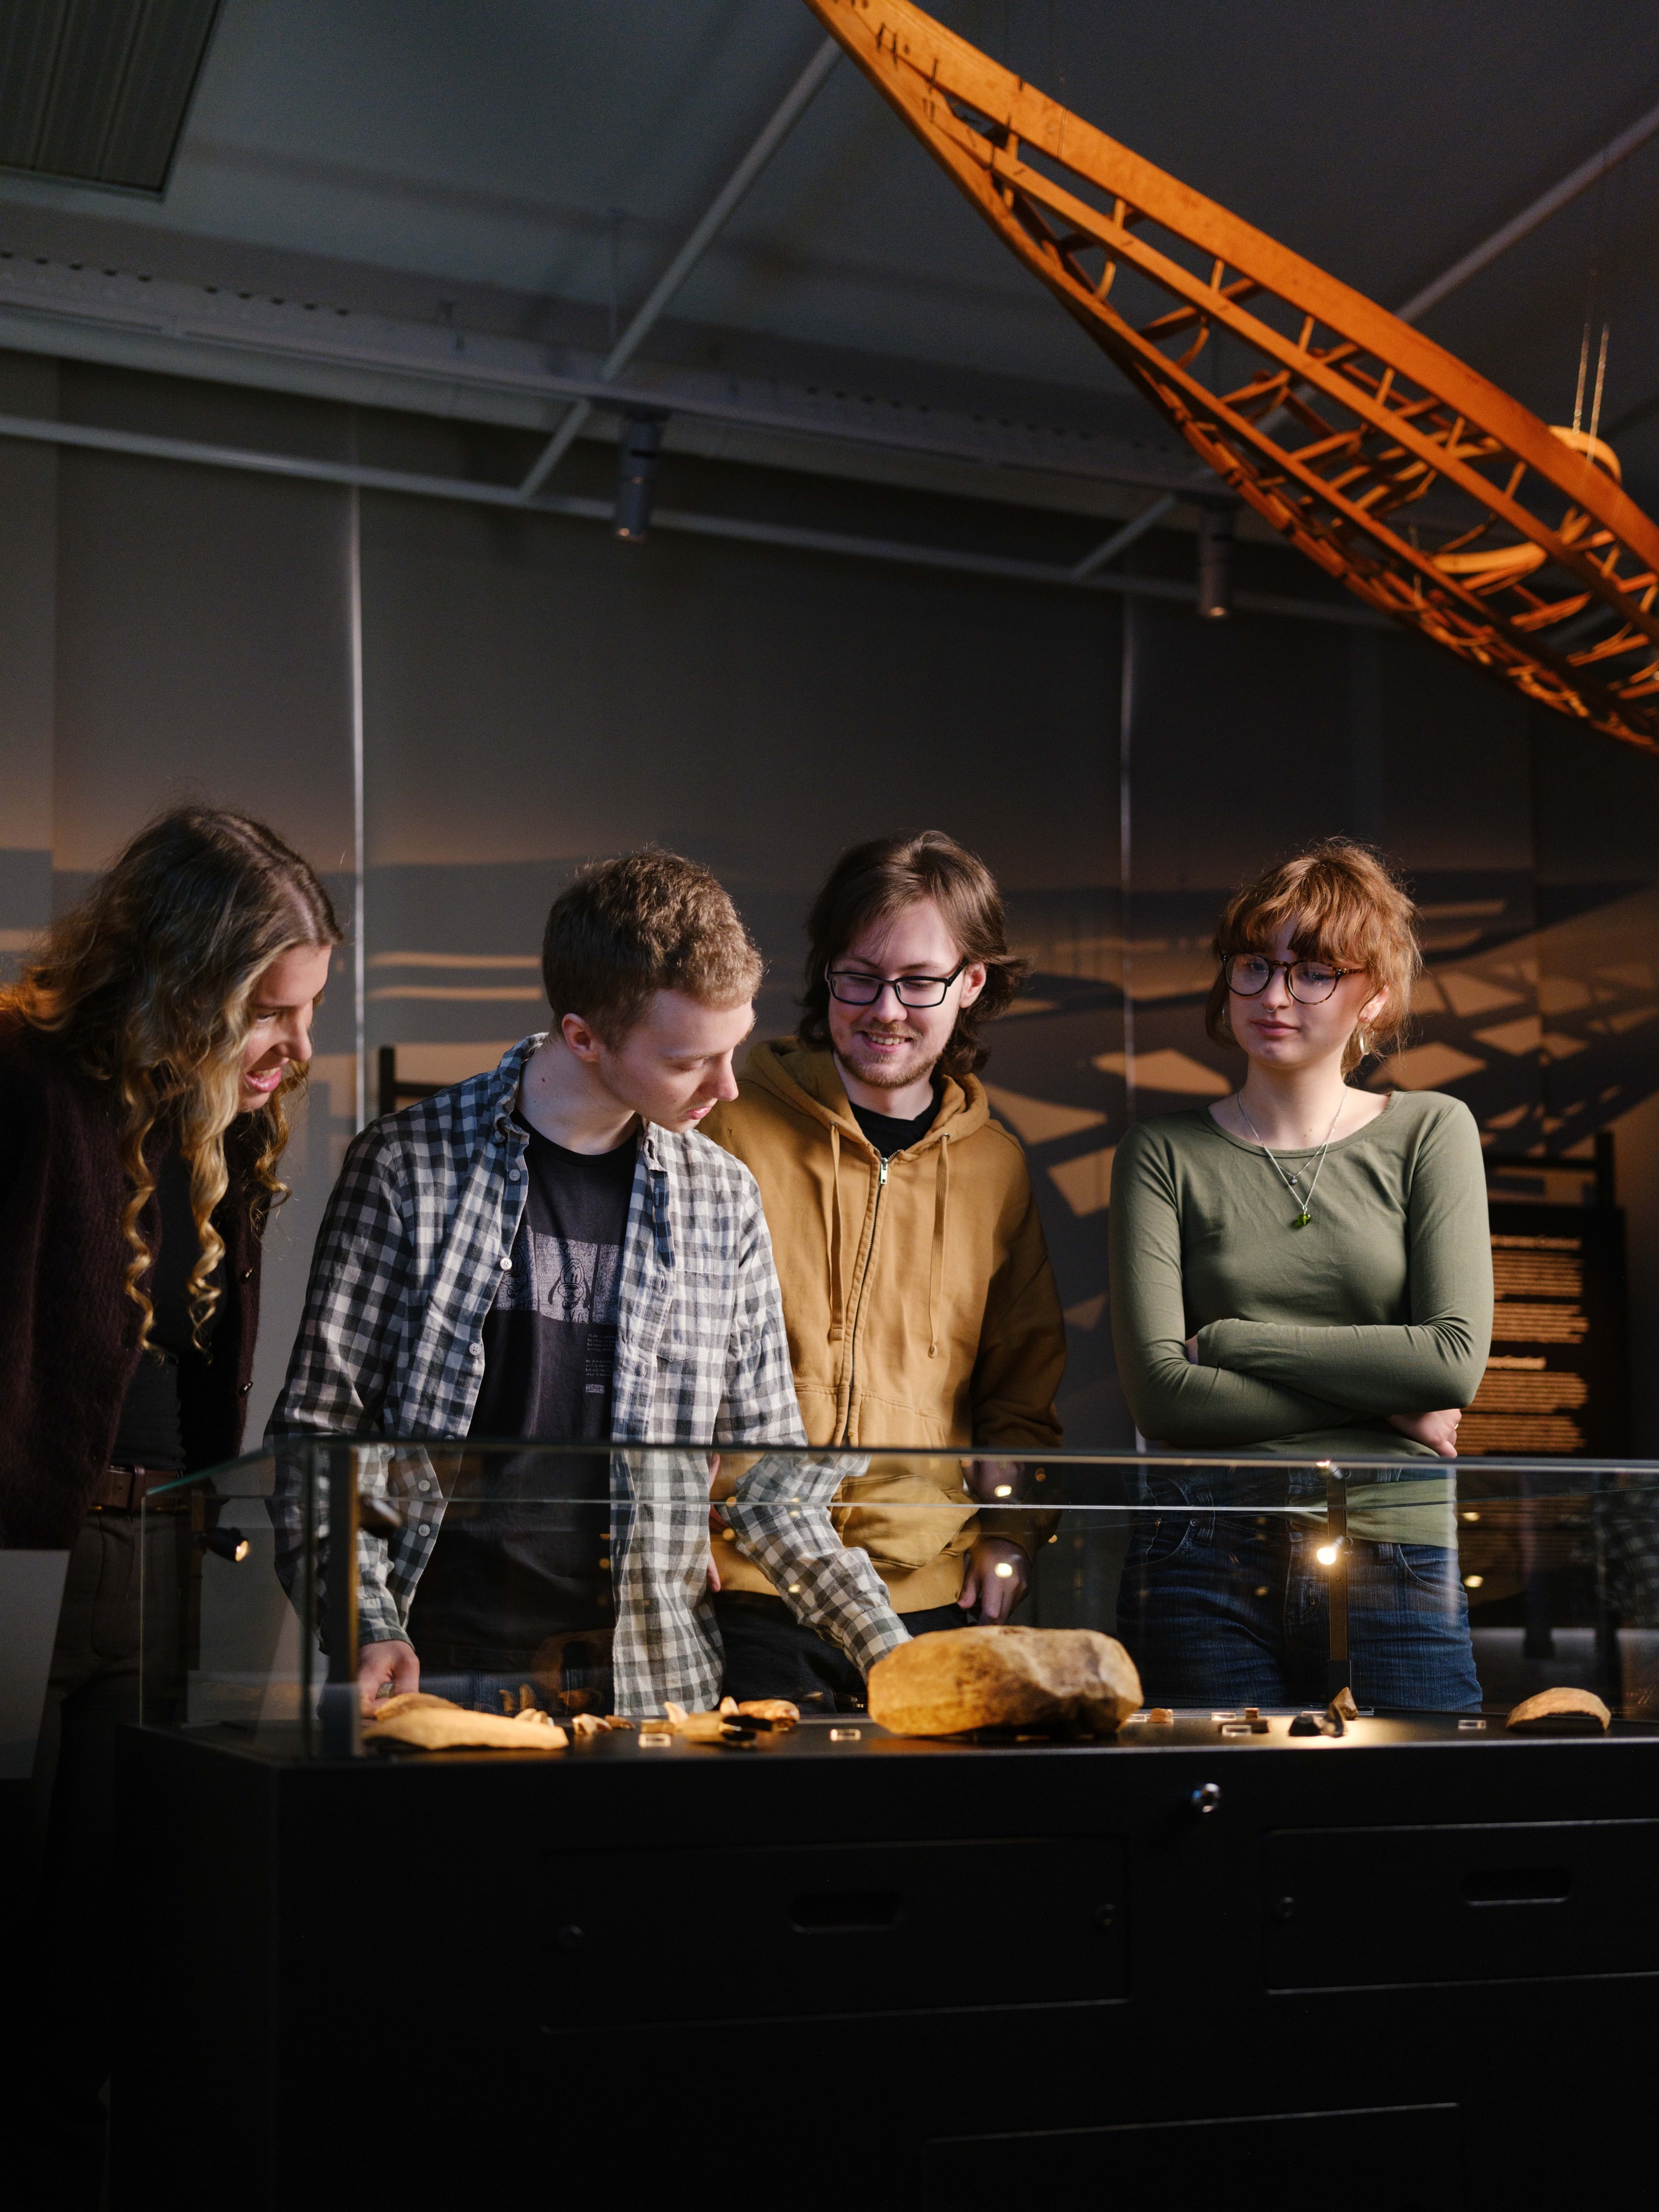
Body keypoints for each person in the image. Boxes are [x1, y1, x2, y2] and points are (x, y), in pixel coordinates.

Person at [270, 849, 905, 1720]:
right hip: (440, 1680)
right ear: (583, 1036)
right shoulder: (408, 1166)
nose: (726, 1086)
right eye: (690, 1061)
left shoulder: (722, 1197)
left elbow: (775, 1487)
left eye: (735, 1050)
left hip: (657, 1691)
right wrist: (367, 1623)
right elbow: (320, 1439)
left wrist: (895, 1651)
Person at [0, 806, 339, 2204]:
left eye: (312, 1010)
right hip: (25, 1558)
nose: (297, 1050)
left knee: (105, 1955)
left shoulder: (222, 1121)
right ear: (179, 980)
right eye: (269, 1011)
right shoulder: (24, 1077)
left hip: (161, 1559)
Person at [1109, 839, 1491, 1713]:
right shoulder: (1162, 1152)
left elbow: (1450, 1363)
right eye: (1256, 965)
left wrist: (1237, 1343)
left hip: (1392, 1540)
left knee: (1406, 1825)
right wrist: (1379, 1396)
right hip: (1196, 1544)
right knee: (1217, 1832)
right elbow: (1163, 1395)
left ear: (1377, 994)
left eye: (1314, 971)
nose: (1275, 995)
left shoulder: (1432, 1130)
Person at [701, 831, 1065, 1710]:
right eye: (858, 976)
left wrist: (1009, 1535)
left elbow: (1019, 1398)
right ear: (825, 969)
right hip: (746, 1583)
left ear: (971, 982)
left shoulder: (999, 1169)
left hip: (931, 1592)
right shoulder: (726, 1129)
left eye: (918, 982)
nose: (886, 1009)